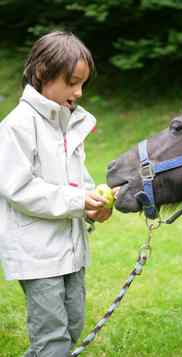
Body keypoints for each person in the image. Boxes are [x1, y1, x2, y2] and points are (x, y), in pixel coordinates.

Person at [0, 31, 117, 357]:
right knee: (52, 340)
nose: (79, 92)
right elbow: (18, 188)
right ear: (42, 73)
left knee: (71, 328)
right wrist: (77, 201)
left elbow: (75, 180)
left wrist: (92, 202)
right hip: (37, 254)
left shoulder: (66, 124)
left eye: (83, 84)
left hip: (72, 249)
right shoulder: (17, 126)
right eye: (72, 82)